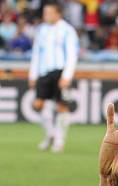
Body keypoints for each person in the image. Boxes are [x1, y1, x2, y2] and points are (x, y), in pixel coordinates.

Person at [28, 1, 79, 153]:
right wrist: (32, 74)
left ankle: (59, 140)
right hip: (44, 72)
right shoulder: (41, 30)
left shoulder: (67, 30)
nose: (46, 16)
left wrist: (67, 75)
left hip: (60, 71)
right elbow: (36, 54)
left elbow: (72, 55)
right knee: (38, 105)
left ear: (58, 13)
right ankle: (50, 134)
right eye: (45, 13)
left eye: (49, 13)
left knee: (61, 106)